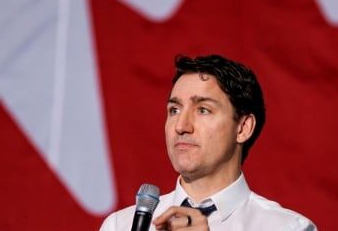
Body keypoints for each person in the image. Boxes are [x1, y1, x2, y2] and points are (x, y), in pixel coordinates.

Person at [100, 54, 317, 231]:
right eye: (174, 110)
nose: (181, 126)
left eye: (203, 110)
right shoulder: (120, 225)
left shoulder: (288, 228)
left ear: (242, 128)